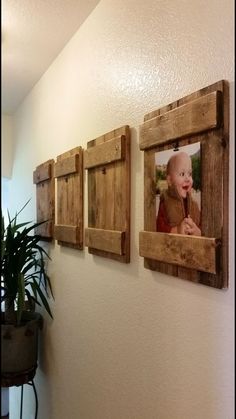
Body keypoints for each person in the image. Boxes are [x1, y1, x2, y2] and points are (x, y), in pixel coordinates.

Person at [156, 151, 201, 236]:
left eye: (190, 173)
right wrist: (177, 230)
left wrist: (198, 232)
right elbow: (159, 228)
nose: (187, 178)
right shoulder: (165, 202)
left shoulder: (194, 204)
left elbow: (202, 226)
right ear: (170, 181)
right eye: (182, 174)